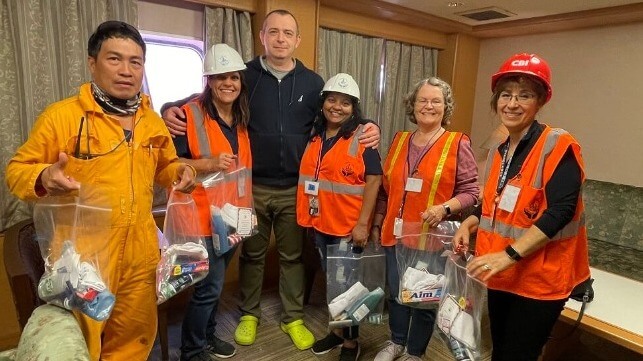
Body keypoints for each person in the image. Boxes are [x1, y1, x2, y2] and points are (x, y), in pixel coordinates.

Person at [161, 9, 381, 351]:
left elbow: (338, 112)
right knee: (252, 253)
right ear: (262, 36)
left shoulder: (312, 82)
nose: (281, 39)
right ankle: (249, 313)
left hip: (296, 188)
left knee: (292, 256)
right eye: (274, 32)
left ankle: (292, 316)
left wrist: (370, 125)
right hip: (250, 188)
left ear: (297, 40)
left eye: (288, 33)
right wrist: (168, 107)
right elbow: (209, 96)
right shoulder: (245, 75)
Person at [5, 21, 195, 360]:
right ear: (92, 63)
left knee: (134, 344)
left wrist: (182, 170)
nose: (126, 70)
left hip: (141, 256)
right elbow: (17, 171)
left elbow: (165, 166)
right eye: (114, 59)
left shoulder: (151, 120)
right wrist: (45, 176)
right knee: (84, 346)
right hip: (84, 261)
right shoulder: (62, 118)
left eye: (135, 62)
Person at [452, 53, 590, 361]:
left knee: (518, 354)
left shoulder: (558, 144)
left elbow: (561, 211)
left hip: (539, 279)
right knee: (500, 349)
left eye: (524, 95)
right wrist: (468, 223)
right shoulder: (502, 150)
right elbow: (493, 204)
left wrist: (508, 255)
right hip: (503, 273)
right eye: (506, 95)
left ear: (540, 101)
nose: (512, 103)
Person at [370, 77, 479, 361]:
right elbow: (385, 189)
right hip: (394, 236)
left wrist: (444, 208)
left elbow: (471, 193)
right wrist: (378, 221)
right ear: (413, 105)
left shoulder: (457, 143)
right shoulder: (399, 140)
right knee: (397, 294)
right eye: (422, 100)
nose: (428, 106)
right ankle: (396, 342)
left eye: (436, 101)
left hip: (430, 238)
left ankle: (414, 353)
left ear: (445, 108)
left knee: (423, 301)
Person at [295, 73, 382, 361]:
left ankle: (350, 343)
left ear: (354, 108)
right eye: (332, 100)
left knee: (347, 287)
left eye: (345, 103)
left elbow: (374, 182)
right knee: (333, 284)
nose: (337, 107)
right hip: (320, 224)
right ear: (323, 103)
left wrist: (362, 225)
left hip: (347, 227)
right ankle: (337, 332)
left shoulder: (363, 137)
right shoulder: (316, 135)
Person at [174, 43, 252, 361]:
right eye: (220, 77)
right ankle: (191, 351)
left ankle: (205, 338)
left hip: (234, 215)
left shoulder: (242, 116)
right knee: (208, 288)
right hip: (202, 216)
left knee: (213, 289)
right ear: (209, 81)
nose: (228, 83)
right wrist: (207, 163)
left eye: (233, 77)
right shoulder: (188, 114)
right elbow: (171, 164)